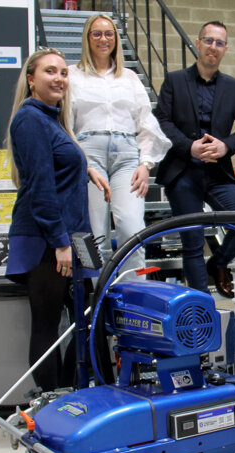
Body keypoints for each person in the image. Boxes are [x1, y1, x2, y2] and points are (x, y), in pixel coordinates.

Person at [5, 48, 108, 392]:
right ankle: (51, 403)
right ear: (31, 79)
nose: (59, 78)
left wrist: (86, 168)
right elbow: (40, 187)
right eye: (50, 71)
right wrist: (60, 242)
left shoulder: (52, 119)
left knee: (92, 319)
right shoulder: (29, 118)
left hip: (76, 236)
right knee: (48, 327)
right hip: (51, 238)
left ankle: (70, 395)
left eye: (64, 72)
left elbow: (58, 162)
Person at [154, 20, 235, 299]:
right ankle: (201, 306)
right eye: (209, 40)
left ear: (225, 49)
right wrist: (188, 147)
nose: (214, 47)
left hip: (217, 173)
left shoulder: (234, 87)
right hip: (183, 171)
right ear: (198, 43)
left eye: (220, 43)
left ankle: (219, 262)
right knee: (192, 241)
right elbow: (161, 121)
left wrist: (226, 146)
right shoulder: (174, 81)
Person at [70, 14, 171, 274]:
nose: (104, 39)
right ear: (87, 38)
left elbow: (146, 123)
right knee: (96, 235)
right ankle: (100, 303)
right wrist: (80, 160)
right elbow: (66, 125)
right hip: (89, 155)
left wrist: (146, 164)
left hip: (127, 157)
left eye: (109, 34)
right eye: (97, 34)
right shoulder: (72, 75)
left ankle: (134, 299)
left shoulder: (129, 78)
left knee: (132, 230)